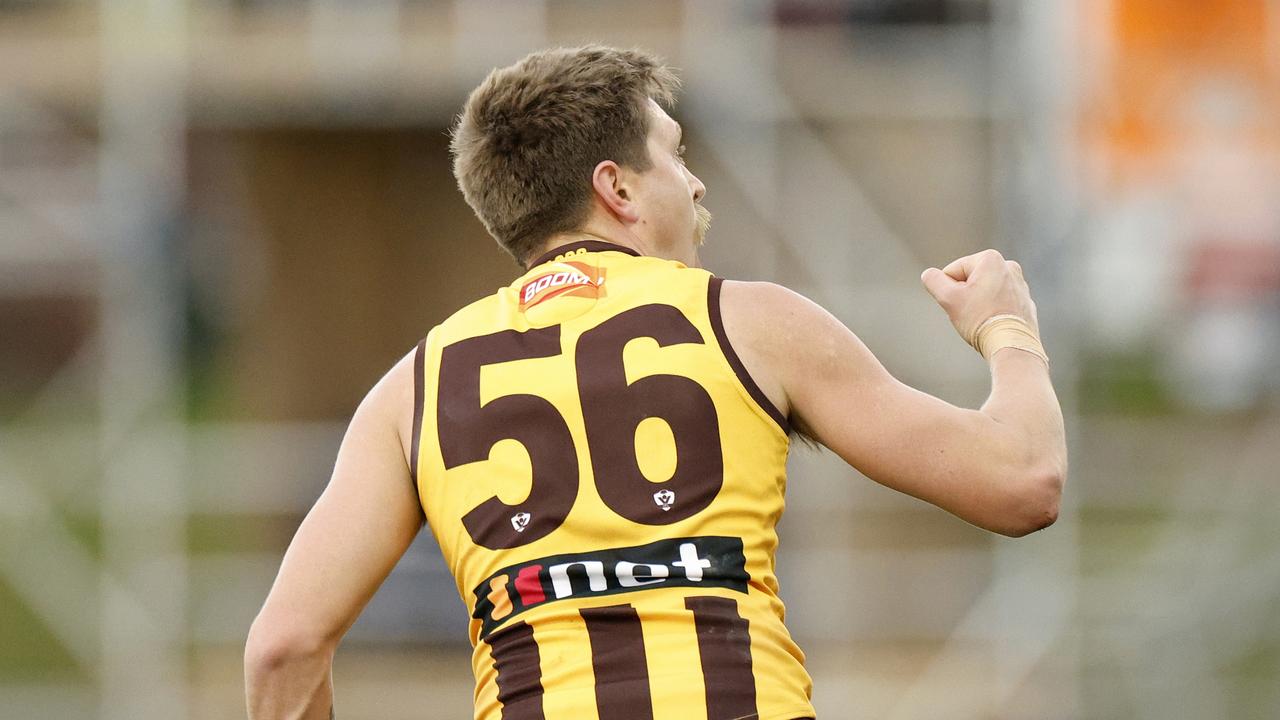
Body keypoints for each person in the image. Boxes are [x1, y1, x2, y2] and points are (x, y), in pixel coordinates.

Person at [244, 45, 1066, 720]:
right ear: (618, 188)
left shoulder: (412, 387)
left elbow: (283, 648)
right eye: (675, 153)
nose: (696, 181)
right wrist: (1007, 327)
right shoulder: (751, 321)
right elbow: (1022, 482)